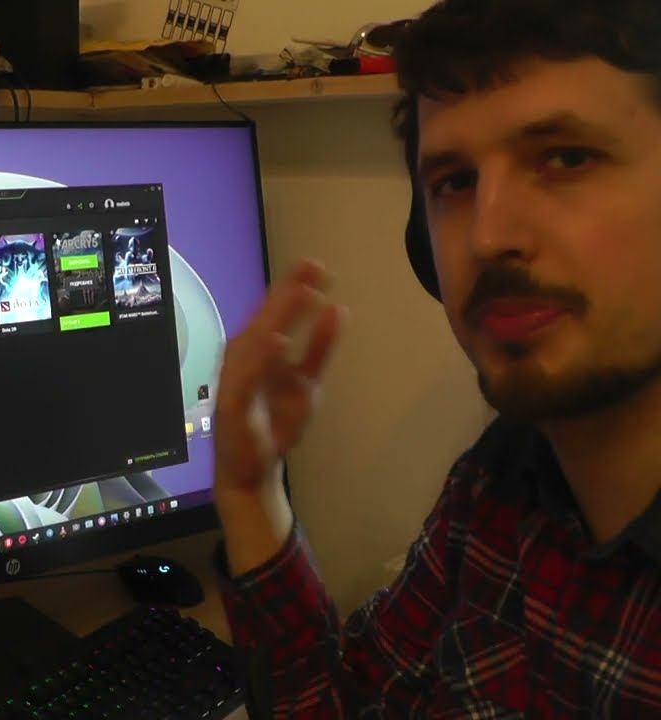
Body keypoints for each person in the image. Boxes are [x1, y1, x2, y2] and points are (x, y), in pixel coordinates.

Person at [215, 1, 661, 716]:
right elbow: (343, 705)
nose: (488, 236)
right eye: (455, 182)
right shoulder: (500, 484)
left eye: (567, 157)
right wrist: (249, 489)